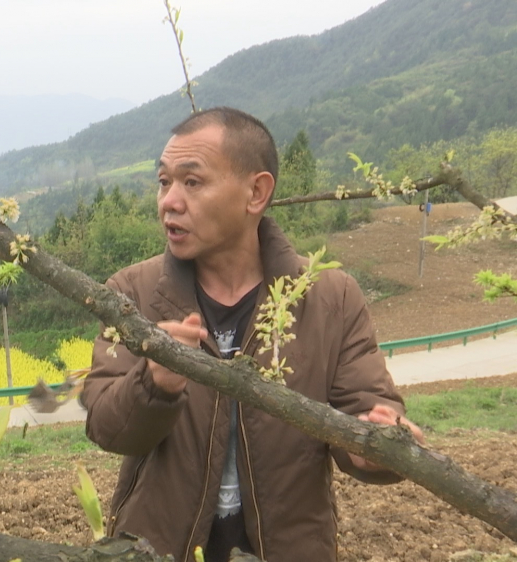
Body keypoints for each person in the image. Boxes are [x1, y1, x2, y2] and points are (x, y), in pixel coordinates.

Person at [81, 107, 424, 562]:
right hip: (157, 549)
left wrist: (378, 447)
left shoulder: (329, 298)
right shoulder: (131, 295)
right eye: (164, 182)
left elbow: (367, 415)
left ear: (256, 193)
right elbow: (105, 425)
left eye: (193, 182)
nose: (169, 201)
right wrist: (154, 384)